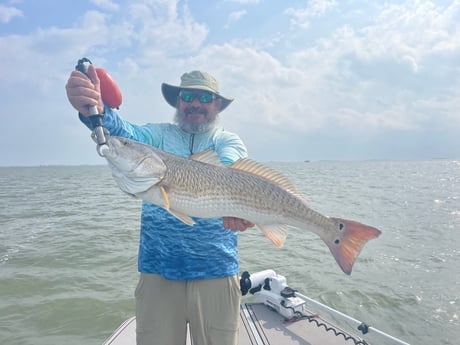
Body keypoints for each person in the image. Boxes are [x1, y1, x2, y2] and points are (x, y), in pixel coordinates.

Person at [65, 66, 254, 345]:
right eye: (188, 96)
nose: (195, 104)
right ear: (178, 101)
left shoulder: (226, 141)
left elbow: (231, 170)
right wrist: (93, 109)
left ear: (217, 105)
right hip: (158, 271)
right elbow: (121, 132)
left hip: (217, 271)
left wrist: (240, 209)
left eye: (204, 98)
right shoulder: (156, 136)